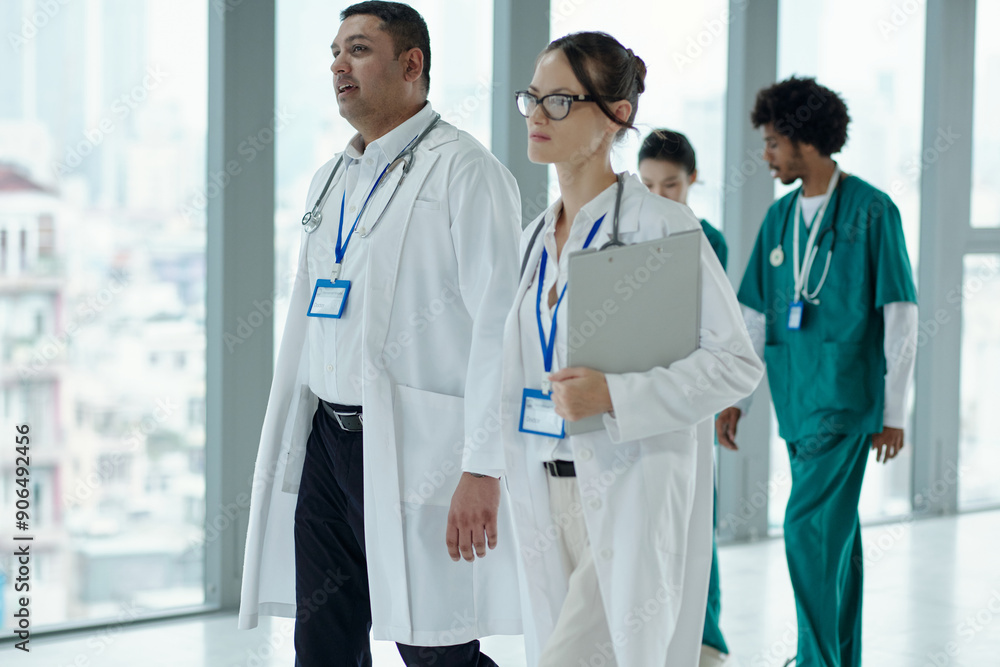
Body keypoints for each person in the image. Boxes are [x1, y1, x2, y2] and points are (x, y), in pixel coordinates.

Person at [237, 3, 523, 665]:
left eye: (359, 49)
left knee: (434, 647)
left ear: (411, 64)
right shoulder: (333, 177)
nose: (339, 64)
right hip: (325, 446)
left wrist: (483, 465)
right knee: (324, 639)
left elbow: (498, 329)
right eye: (335, 51)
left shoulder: (465, 171)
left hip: (416, 446)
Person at [500, 32, 764, 667]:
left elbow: (735, 363)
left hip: (630, 487)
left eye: (559, 101)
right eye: (532, 98)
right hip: (546, 485)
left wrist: (616, 395)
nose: (537, 115)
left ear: (616, 115)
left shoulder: (661, 226)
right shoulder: (535, 237)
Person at [716, 76, 918, 667]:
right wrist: (739, 399)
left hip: (848, 401)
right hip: (796, 401)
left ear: (805, 141)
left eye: (774, 142)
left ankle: (814, 660)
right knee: (835, 537)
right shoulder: (780, 220)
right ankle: (840, 657)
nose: (767, 155)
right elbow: (753, 320)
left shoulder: (873, 210)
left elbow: (900, 316)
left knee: (805, 527)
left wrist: (894, 411)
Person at [638, 129, 731, 667]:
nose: (660, 195)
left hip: (688, 391)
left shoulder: (707, 239)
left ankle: (706, 635)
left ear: (691, 180)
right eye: (648, 184)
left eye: (670, 185)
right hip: (638, 392)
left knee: (698, 516)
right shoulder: (630, 233)